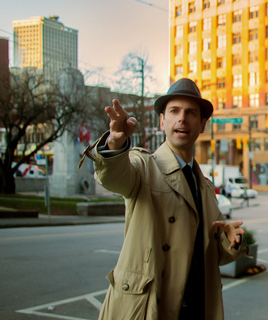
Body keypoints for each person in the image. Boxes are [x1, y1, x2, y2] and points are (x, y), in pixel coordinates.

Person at [78, 78, 246, 320]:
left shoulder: (206, 187)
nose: (182, 118)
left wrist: (232, 239)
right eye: (174, 111)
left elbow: (215, 255)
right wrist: (115, 144)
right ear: (162, 120)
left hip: (198, 308)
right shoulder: (144, 166)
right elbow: (114, 176)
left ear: (202, 124)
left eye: (191, 113)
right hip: (151, 308)